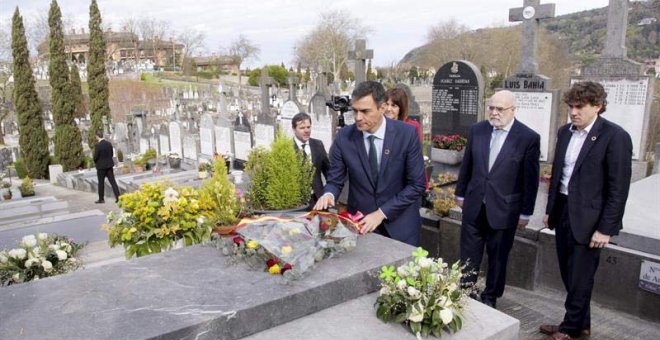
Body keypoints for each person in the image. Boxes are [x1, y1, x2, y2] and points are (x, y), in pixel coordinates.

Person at [539, 81, 632, 340]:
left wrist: (606, 229)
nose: (573, 112)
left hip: (591, 220)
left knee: (581, 276)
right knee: (570, 273)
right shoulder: (565, 132)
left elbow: (618, 189)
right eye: (571, 106)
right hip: (564, 211)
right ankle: (582, 324)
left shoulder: (615, 137)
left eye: (580, 107)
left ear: (598, 106)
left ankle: (569, 329)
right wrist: (550, 210)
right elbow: (558, 175)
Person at [454, 90, 540, 309]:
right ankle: (466, 291)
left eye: (499, 109)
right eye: (491, 107)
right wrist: (460, 194)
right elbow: (468, 165)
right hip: (474, 205)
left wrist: (525, 213)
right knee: (469, 253)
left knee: (498, 256)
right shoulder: (477, 130)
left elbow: (530, 180)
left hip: (505, 209)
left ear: (513, 110)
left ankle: (491, 295)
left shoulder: (528, 138)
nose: (494, 113)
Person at [313, 81, 426, 246]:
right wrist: (328, 194)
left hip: (402, 228)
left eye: (365, 111)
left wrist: (381, 213)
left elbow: (417, 185)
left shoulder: (406, 134)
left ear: (382, 108)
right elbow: (335, 180)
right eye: (355, 111)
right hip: (362, 226)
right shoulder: (344, 137)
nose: (358, 118)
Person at [291, 112, 329, 207]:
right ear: (294, 129)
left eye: (308, 127)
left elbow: (328, 171)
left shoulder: (318, 145)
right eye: (302, 128)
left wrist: (329, 193)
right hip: (296, 202)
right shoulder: (287, 148)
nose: (306, 130)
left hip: (318, 200)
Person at [93, 130, 120, 204]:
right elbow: (111, 154)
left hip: (101, 166)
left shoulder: (98, 145)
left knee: (101, 183)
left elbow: (95, 157)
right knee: (113, 182)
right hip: (109, 165)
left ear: (97, 136)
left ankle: (101, 199)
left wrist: (97, 162)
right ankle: (118, 197)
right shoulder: (108, 144)